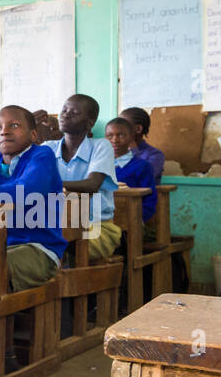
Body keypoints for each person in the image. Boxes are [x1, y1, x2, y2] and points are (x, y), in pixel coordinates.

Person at [0, 105, 65, 292]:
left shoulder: (41, 156)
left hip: (38, 248)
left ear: (34, 135)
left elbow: (26, 192)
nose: (4, 132)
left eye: (14, 126)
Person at [47, 94, 121, 260]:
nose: (66, 114)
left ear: (90, 123)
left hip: (95, 227)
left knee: (53, 240)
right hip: (54, 224)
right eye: (64, 110)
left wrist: (51, 184)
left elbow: (92, 184)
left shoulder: (101, 146)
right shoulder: (47, 148)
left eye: (74, 112)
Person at [106, 116, 157, 224]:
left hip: (129, 220)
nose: (115, 140)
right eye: (109, 136)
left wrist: (136, 219)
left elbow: (149, 200)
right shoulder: (97, 164)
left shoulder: (142, 166)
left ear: (131, 137)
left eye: (121, 135)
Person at [120, 106, 166, 183]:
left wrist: (133, 151)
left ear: (138, 129)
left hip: (141, 195)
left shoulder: (155, 155)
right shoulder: (114, 152)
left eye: (123, 125)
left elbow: (142, 177)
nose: (118, 128)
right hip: (116, 194)